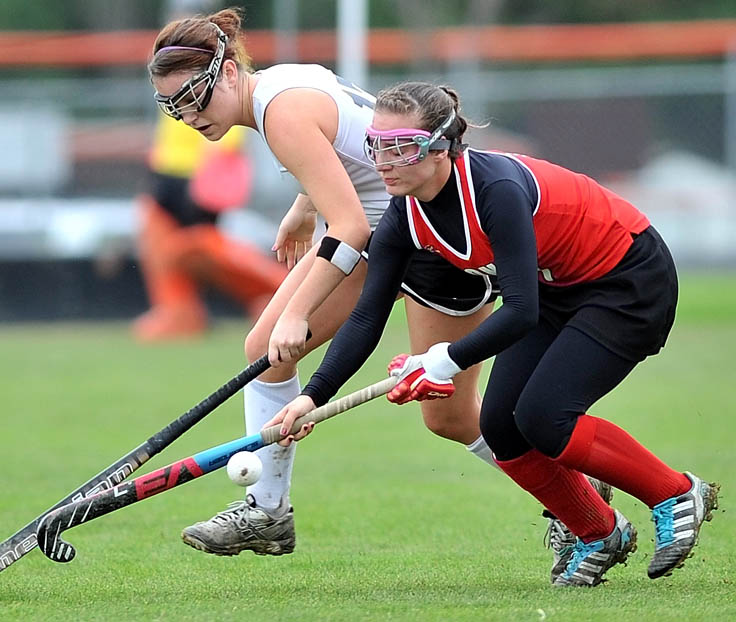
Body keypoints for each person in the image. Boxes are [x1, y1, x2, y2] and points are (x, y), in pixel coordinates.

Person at [270, 81, 719, 587]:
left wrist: (442, 361)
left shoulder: (494, 190)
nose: (384, 162)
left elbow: (521, 311)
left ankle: (676, 492)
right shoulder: (403, 214)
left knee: (546, 418)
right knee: (502, 428)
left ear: (441, 147)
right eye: (377, 145)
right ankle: (598, 531)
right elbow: (367, 317)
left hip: (627, 280)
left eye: (401, 147)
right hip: (558, 291)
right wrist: (311, 397)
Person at [147, 8, 511, 558]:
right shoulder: (278, 87)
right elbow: (352, 148)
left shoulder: (280, 113)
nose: (186, 116)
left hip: (432, 233)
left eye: (192, 97)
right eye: (170, 106)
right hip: (394, 226)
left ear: (225, 72)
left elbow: (351, 226)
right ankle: (266, 511)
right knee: (274, 357)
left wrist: (298, 313)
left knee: (445, 415)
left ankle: (570, 492)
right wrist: (302, 203)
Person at [132, 110, 287, 341]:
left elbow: (225, 138)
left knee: (199, 248)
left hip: (197, 182)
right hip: (169, 178)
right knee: (172, 249)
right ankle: (179, 312)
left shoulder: (216, 94)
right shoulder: (173, 91)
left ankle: (287, 292)